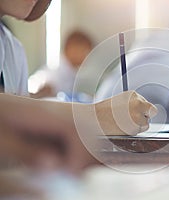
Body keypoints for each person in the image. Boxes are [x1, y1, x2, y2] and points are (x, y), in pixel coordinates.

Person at [0, 0, 157, 172]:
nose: (84, 55)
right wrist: (96, 116)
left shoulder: (13, 49)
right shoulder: (54, 72)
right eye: (82, 49)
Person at [30, 30, 94, 98]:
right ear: (72, 48)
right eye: (85, 52)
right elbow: (40, 91)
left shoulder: (70, 71)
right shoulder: (56, 69)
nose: (87, 57)